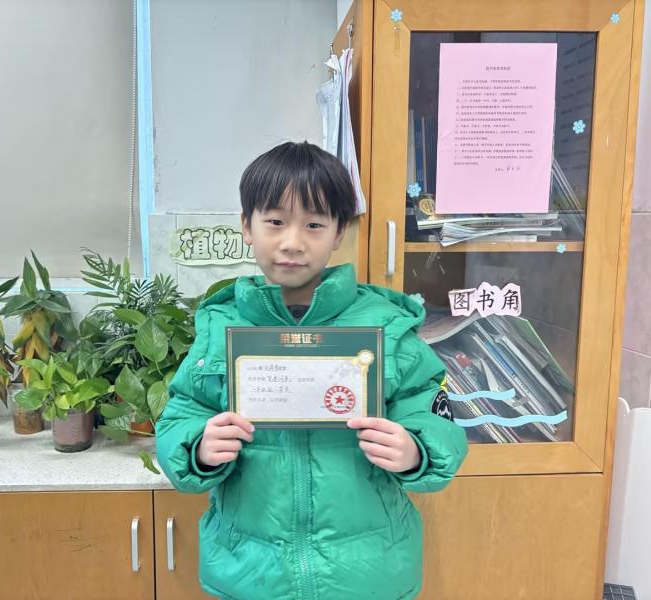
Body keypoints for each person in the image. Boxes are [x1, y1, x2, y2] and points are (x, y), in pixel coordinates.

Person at [155, 141, 469, 599]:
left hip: (368, 575)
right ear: (246, 226)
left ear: (339, 232)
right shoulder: (221, 327)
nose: (292, 242)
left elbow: (437, 418)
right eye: (275, 221)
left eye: (314, 224)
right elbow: (180, 416)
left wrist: (416, 451)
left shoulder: (386, 327)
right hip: (251, 574)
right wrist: (198, 448)